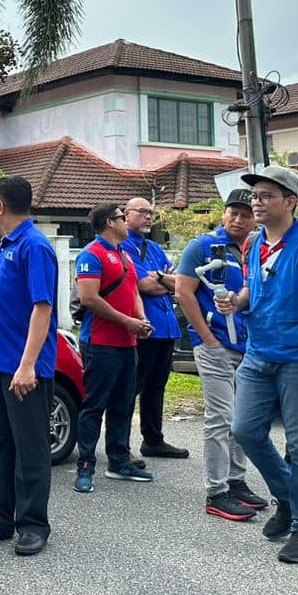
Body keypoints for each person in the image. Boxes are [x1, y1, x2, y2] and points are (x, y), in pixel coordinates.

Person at [216, 165, 298, 564]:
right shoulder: (253, 243)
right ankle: (288, 497)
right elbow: (253, 288)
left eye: (266, 196)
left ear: (290, 202)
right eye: (255, 195)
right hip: (258, 355)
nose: (256, 202)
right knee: (245, 430)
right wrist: (236, 301)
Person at [0, 176, 56, 557]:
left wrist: (27, 365)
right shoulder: (5, 245)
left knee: (30, 447)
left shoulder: (35, 246)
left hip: (24, 369)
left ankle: (33, 524)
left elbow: (42, 308)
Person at [174, 189, 268, 521]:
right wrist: (207, 338)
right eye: (233, 213)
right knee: (221, 418)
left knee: (242, 419)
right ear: (223, 214)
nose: (238, 219)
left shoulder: (256, 248)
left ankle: (236, 481)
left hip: (247, 346)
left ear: (255, 218)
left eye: (246, 214)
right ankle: (216, 492)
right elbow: (183, 292)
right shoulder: (202, 246)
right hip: (215, 345)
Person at [73, 202, 154, 494]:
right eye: (122, 217)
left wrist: (141, 318)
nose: (125, 222)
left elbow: (133, 291)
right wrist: (127, 321)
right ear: (110, 222)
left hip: (127, 343)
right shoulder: (91, 254)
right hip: (101, 342)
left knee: (123, 404)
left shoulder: (124, 255)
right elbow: (89, 298)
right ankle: (85, 465)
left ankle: (119, 460)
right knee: (94, 406)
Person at [121, 197, 188, 460]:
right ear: (126, 215)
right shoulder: (123, 246)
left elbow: (180, 283)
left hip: (167, 326)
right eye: (142, 212)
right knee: (133, 386)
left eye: (151, 212)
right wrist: (165, 281)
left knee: (157, 386)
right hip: (144, 327)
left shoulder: (154, 248)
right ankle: (120, 446)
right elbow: (143, 285)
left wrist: (160, 277)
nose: (148, 217)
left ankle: (153, 440)